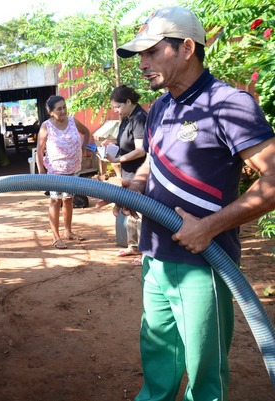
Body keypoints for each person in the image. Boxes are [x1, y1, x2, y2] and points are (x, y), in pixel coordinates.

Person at [115, 6, 275, 400]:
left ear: (187, 48)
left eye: (152, 52)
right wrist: (136, 184)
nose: (142, 63)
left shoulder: (227, 103)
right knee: (158, 358)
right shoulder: (161, 108)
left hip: (204, 265)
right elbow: (153, 159)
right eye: (139, 55)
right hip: (155, 256)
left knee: (204, 372)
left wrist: (209, 227)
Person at [36, 95, 90, 249]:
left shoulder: (73, 121)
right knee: (56, 201)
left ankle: (68, 232)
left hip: (73, 168)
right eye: (59, 108)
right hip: (55, 170)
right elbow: (39, 151)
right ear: (50, 111)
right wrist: (41, 171)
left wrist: (83, 148)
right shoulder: (46, 126)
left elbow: (86, 132)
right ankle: (56, 237)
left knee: (68, 200)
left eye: (64, 107)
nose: (63, 111)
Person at [103, 85, 147, 264]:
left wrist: (118, 160)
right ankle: (133, 246)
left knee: (143, 212)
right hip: (129, 173)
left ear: (129, 101)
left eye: (118, 106)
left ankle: (146, 251)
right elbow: (126, 141)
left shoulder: (139, 118)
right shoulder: (127, 118)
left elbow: (141, 150)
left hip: (140, 173)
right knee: (130, 210)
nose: (115, 110)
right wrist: (111, 143)